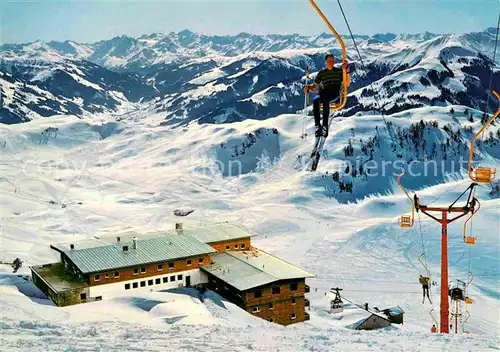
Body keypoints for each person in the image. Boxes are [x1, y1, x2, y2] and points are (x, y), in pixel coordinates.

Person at [304, 54, 350, 138]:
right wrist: (309, 88)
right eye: (329, 61)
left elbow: (347, 84)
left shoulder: (339, 71)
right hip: (324, 92)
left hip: (334, 92)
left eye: (332, 61)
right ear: (325, 62)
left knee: (324, 98)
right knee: (315, 101)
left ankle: (325, 126)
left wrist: (346, 71)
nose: (331, 62)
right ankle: (317, 126)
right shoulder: (321, 73)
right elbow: (315, 85)